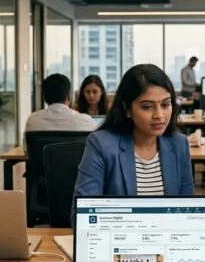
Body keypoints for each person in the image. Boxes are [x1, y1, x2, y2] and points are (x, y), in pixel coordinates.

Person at [74, 64, 194, 196]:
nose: (159, 115)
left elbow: (186, 207)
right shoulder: (101, 145)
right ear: (127, 109)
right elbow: (84, 211)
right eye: (147, 107)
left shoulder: (179, 144)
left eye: (165, 104)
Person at [23, 73, 98, 133]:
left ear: (44, 98)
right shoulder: (86, 121)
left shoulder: (33, 120)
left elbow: (27, 150)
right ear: (69, 95)